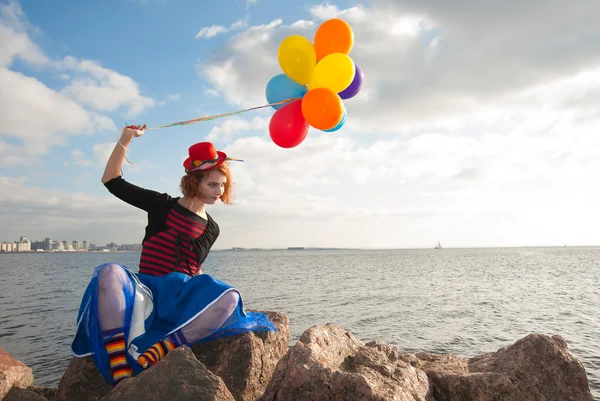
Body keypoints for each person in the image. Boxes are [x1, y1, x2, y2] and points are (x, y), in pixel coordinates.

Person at [70, 124, 276, 386]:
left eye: (223, 186)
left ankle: (160, 349)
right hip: (145, 290)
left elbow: (195, 267)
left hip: (179, 295)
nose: (219, 191)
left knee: (231, 297)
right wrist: (127, 138)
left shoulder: (213, 228)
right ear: (194, 181)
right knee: (109, 272)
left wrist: (205, 298)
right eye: (213, 184)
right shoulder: (161, 205)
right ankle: (119, 364)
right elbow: (111, 180)